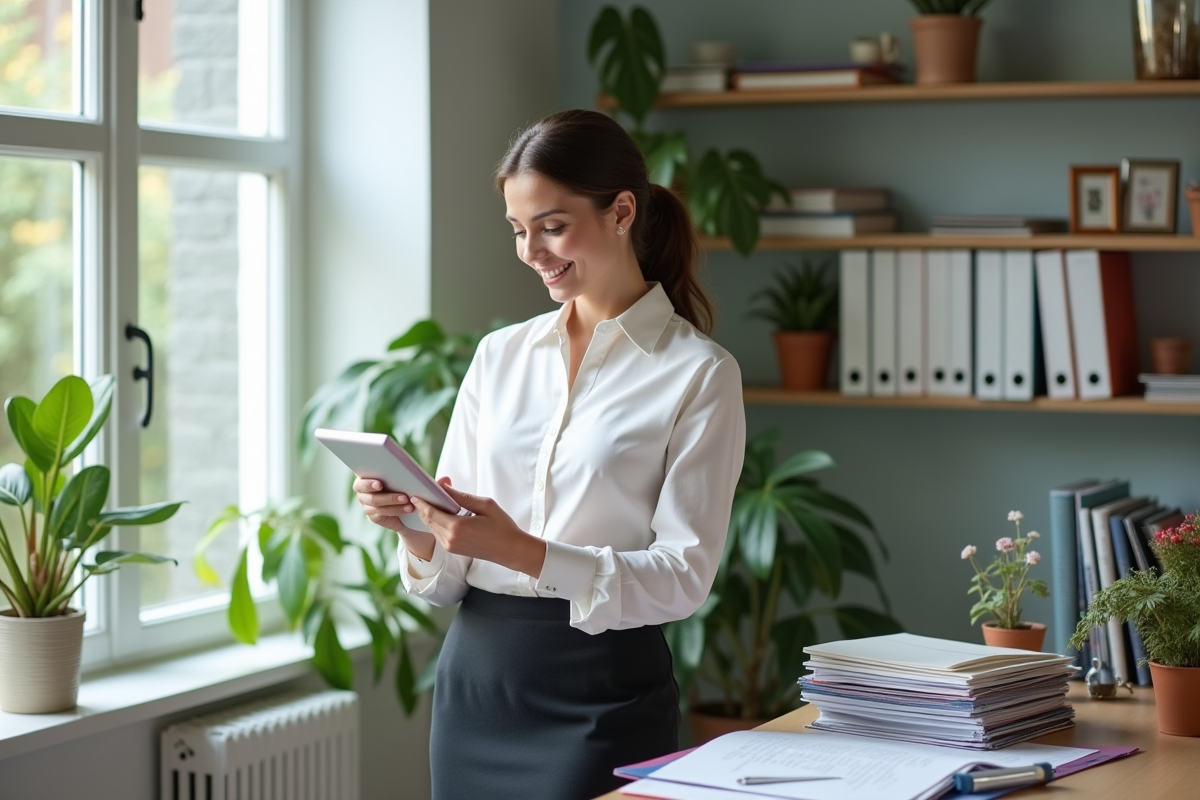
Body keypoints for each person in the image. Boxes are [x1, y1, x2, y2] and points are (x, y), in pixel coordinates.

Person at [354, 108, 746, 800]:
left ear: (621, 210)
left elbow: (684, 577)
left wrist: (524, 551)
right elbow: (448, 577)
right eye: (517, 230)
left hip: (605, 693)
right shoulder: (499, 356)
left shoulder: (698, 373)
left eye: (552, 225)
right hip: (477, 688)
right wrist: (414, 524)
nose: (532, 251)